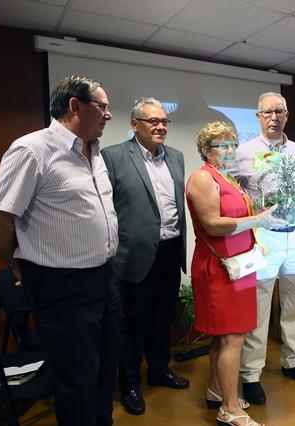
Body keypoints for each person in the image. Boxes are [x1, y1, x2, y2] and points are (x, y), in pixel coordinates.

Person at [0, 75, 120, 425]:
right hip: (62, 284)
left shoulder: (94, 152)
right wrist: (17, 265)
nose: (108, 114)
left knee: (106, 371)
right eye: (102, 106)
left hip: (104, 277)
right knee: (77, 381)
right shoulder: (32, 149)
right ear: (75, 106)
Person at [187, 121, 286, 426]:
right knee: (232, 337)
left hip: (239, 266)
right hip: (220, 268)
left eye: (233, 145)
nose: (230, 150)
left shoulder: (226, 176)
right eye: (223, 145)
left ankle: (216, 390)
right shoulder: (202, 178)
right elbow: (213, 224)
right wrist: (258, 220)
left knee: (226, 336)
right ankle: (229, 409)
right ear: (207, 150)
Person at [227, 92, 295, 406]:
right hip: (265, 237)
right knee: (259, 308)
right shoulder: (243, 153)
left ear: (287, 116)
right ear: (258, 117)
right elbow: (228, 191)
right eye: (267, 112)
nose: (274, 117)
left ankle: (293, 359)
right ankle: (251, 374)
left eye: (279, 112)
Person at [101, 98, 188, 416]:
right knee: (133, 323)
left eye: (164, 121)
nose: (161, 126)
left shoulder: (176, 156)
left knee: (163, 317)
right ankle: (130, 384)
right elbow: (106, 208)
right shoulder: (112, 156)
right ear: (134, 124)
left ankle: (160, 370)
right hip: (133, 255)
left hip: (170, 250)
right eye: (153, 121)